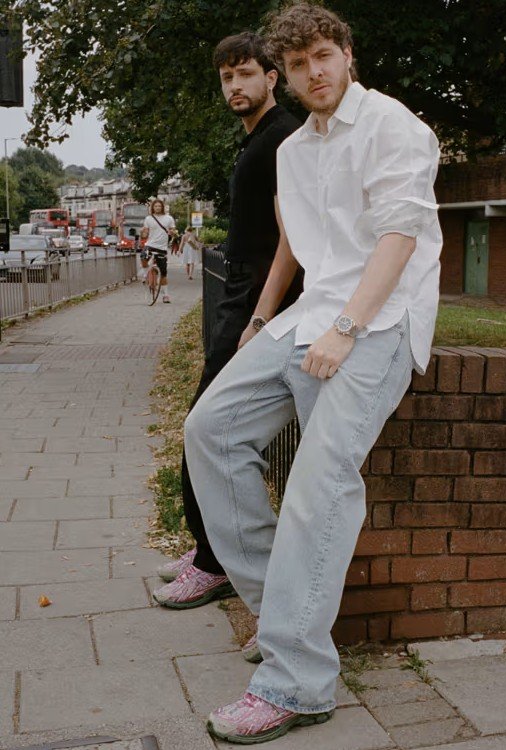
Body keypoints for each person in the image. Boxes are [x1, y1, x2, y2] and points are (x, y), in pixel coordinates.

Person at [184, 2, 442, 744]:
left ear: (347, 54)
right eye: (298, 64)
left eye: (322, 55)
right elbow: (295, 246)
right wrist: (266, 323)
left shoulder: (395, 126)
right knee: (211, 430)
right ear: (287, 76)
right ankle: (278, 612)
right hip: (310, 315)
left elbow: (398, 237)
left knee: (319, 480)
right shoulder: (295, 150)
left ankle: (297, 681)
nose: (313, 72)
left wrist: (347, 330)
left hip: (381, 321)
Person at [152, 32, 302, 609]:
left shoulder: (282, 139)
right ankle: (209, 549)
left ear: (271, 77)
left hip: (258, 304)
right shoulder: (259, 139)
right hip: (242, 293)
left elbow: (292, 238)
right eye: (226, 77)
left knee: (206, 426)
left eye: (245, 74)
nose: (235, 86)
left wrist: (261, 318)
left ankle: (216, 566)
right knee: (206, 424)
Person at [140, 198, 176, 303]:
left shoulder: (169, 218)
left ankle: (166, 295)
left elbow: (173, 230)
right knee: (143, 257)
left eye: (159, 206)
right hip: (150, 245)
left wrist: (172, 233)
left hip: (162, 247)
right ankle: (145, 273)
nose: (157, 208)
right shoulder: (148, 219)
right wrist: (142, 232)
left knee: (164, 273)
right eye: (155, 206)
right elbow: (145, 235)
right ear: (153, 208)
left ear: (162, 207)